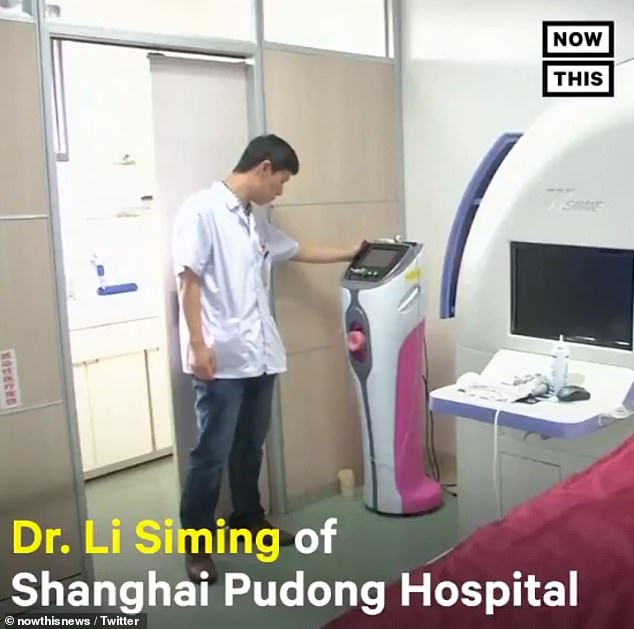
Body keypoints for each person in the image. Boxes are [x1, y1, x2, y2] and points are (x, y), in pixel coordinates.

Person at [171, 134, 363, 584]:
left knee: (249, 445)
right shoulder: (201, 211)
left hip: (259, 356)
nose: (280, 191)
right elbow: (187, 280)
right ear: (263, 168)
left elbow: (297, 250)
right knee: (210, 454)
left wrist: (351, 252)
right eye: (281, 180)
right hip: (220, 358)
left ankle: (248, 519)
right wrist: (198, 345)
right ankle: (197, 548)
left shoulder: (253, 221)